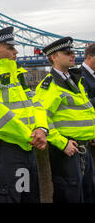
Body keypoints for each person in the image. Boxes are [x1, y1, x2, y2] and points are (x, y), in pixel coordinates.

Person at [0, 26, 49, 203]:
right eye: (10, 47)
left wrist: (42, 129)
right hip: (7, 153)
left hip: (27, 150)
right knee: (9, 199)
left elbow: (36, 104)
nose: (16, 51)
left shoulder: (17, 77)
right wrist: (31, 136)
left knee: (29, 197)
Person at [33, 37, 95, 203]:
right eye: (67, 52)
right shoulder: (50, 84)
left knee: (89, 194)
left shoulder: (75, 81)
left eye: (73, 52)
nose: (73, 55)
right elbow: (41, 118)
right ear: (53, 57)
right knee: (70, 195)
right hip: (67, 151)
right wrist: (62, 143)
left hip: (84, 148)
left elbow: (85, 112)